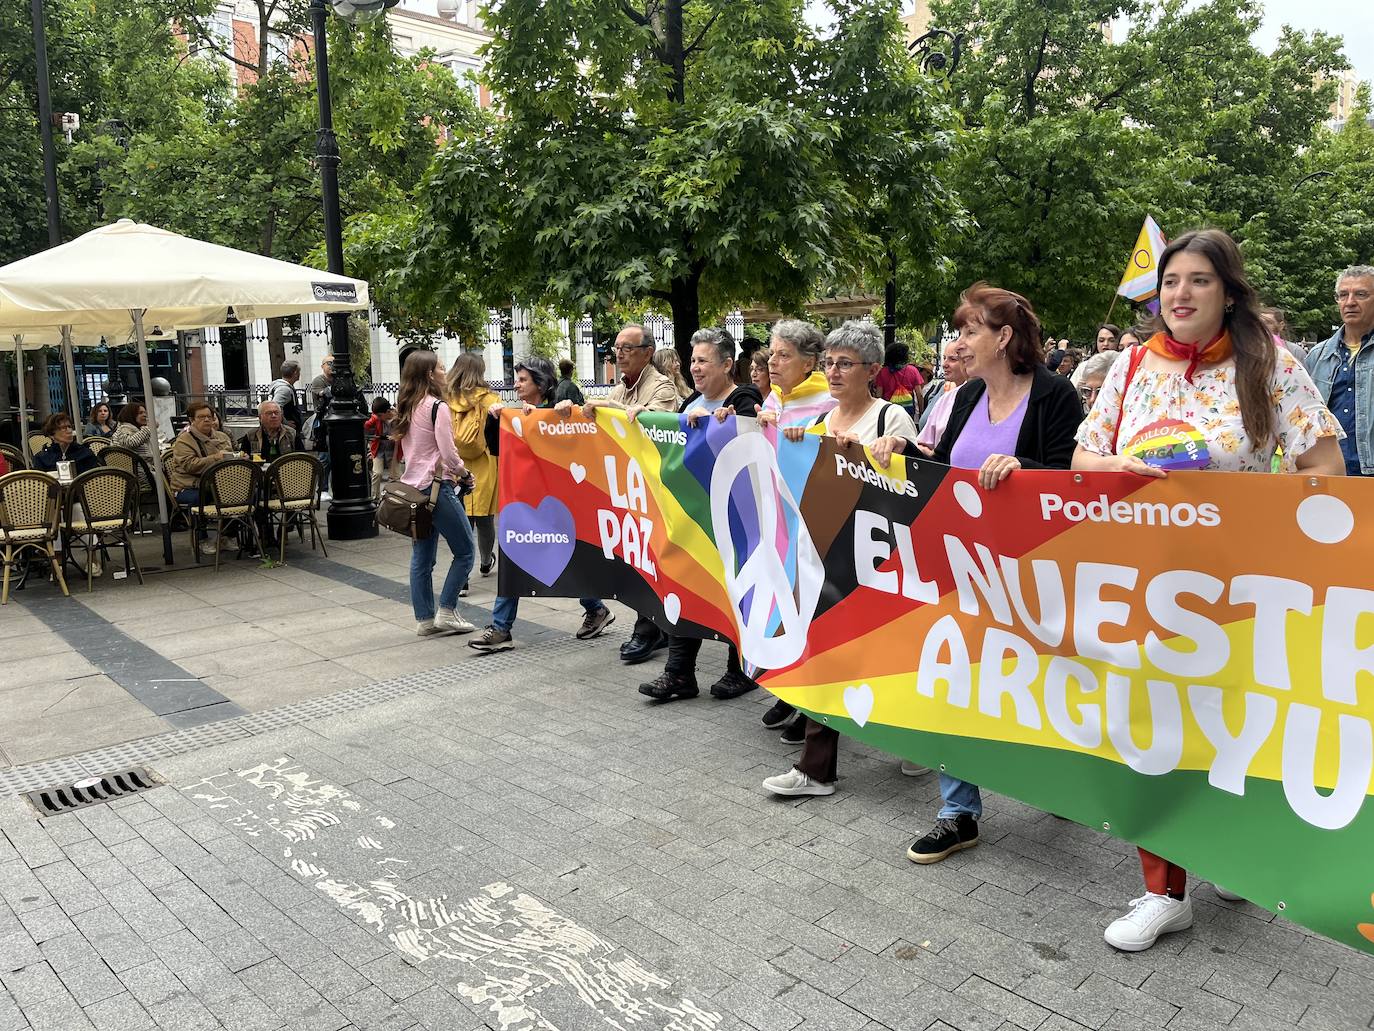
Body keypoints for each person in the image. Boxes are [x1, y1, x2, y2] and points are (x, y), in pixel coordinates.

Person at [1075, 228, 1344, 953]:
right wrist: (1111, 469)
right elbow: (1082, 454)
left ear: (1228, 292)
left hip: (1242, 591)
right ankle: (1164, 892)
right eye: (1170, 282)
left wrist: (1275, 526)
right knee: (1154, 728)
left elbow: (1324, 462)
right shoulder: (1130, 367)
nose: (1180, 295)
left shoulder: (1271, 365)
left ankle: (1228, 852)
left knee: (1233, 732)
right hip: (1143, 586)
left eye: (1198, 280)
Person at [903, 282, 1083, 866]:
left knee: (1039, 684)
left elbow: (1069, 479)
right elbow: (945, 469)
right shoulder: (966, 393)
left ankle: (1059, 780)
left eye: (969, 331)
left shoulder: (1055, 394)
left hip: (1033, 576)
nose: (959, 342)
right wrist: (897, 450)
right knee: (952, 679)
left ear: (1003, 338)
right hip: (960, 567)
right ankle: (957, 813)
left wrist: (1023, 469)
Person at [761, 322, 922, 796]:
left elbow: (915, 486)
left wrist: (888, 454)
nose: (832, 372)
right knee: (824, 653)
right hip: (828, 559)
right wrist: (792, 443)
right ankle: (816, 769)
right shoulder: (819, 423)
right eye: (829, 362)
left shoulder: (889, 419)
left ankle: (916, 738)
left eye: (844, 363)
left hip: (880, 563)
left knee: (890, 655)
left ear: (871, 370)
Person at [636, 328, 763, 702]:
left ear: (727, 364)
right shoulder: (690, 402)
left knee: (735, 591)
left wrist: (716, 423)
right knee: (685, 585)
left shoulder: (744, 397)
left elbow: (746, 435)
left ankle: (740, 670)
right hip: (692, 519)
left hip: (735, 519)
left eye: (703, 360)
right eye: (692, 361)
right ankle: (678, 675)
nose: (695, 368)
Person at [472, 357, 614, 652]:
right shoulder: (515, 416)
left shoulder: (556, 411)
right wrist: (495, 420)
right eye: (516, 378)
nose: (516, 384)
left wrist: (549, 416)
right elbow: (497, 449)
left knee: (568, 557)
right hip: (524, 502)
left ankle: (595, 607)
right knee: (514, 555)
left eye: (522, 379)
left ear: (540, 381)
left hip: (559, 503)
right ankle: (500, 628)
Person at [561, 325, 679, 664]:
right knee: (637, 559)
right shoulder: (620, 388)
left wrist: (618, 411)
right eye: (616, 347)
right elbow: (600, 420)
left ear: (647, 351)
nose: (619, 353)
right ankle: (655, 628)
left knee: (653, 559)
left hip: (655, 492)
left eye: (627, 347)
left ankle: (649, 630)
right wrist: (573, 411)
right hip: (627, 491)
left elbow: (659, 424)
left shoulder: (661, 386)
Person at [754, 319, 835, 736]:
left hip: (812, 528)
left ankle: (810, 705)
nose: (773, 362)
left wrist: (812, 437)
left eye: (784, 354)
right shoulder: (775, 401)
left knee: (809, 611)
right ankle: (789, 691)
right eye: (772, 353)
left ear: (809, 362)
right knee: (782, 606)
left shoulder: (827, 401)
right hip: (778, 523)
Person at [392, 351, 477, 638]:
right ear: (430, 374)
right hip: (436, 488)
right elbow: (448, 452)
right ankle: (447, 611)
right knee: (466, 551)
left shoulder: (407, 405)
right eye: (441, 367)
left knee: (422, 557)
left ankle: (425, 619)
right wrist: (464, 473)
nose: (445, 372)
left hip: (413, 490)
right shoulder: (436, 407)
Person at [1305, 265, 1374, 478]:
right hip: (1330, 473)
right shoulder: (1318, 355)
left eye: (1361, 294)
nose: (1350, 302)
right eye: (1343, 295)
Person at [447, 353, 499, 588]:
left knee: (463, 520)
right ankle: (486, 561)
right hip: (485, 463)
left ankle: (463, 577)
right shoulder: (490, 400)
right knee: (485, 518)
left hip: (456, 464)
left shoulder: (446, 400)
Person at [170, 401, 233, 555]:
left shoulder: (222, 436)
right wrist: (216, 458)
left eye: (209, 417)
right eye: (201, 417)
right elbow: (190, 465)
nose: (206, 420)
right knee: (200, 498)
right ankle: (201, 539)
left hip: (219, 484)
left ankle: (227, 535)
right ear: (192, 420)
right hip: (189, 485)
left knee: (240, 494)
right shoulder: (184, 440)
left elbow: (230, 458)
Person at [916, 347, 969, 447]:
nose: (944, 364)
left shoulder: (976, 396)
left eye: (953, 359)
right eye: (944, 358)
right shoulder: (941, 391)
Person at [31, 413, 99, 475]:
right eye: (63, 428)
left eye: (69, 427)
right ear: (51, 434)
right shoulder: (42, 458)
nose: (69, 431)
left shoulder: (85, 454)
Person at [875, 341, 926, 421]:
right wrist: (921, 413)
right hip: (907, 411)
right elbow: (919, 395)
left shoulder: (882, 372)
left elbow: (879, 395)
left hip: (888, 410)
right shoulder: (913, 370)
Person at [365, 397, 402, 501]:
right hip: (379, 449)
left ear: (387, 412)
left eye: (380, 415)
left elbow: (404, 431)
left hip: (393, 449)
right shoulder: (376, 417)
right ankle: (374, 497)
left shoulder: (398, 417)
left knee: (396, 475)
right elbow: (366, 426)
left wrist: (397, 436)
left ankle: (396, 497)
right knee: (377, 473)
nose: (379, 417)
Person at [309, 357, 334, 497]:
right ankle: (323, 489)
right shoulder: (319, 380)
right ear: (322, 365)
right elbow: (324, 394)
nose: (331, 366)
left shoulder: (338, 379)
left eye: (334, 363)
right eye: (329, 363)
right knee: (324, 458)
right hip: (322, 425)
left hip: (335, 424)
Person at [266, 360, 305, 433]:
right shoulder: (284, 389)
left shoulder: (285, 387)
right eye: (299, 371)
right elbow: (274, 407)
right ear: (295, 373)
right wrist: (285, 423)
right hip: (287, 432)